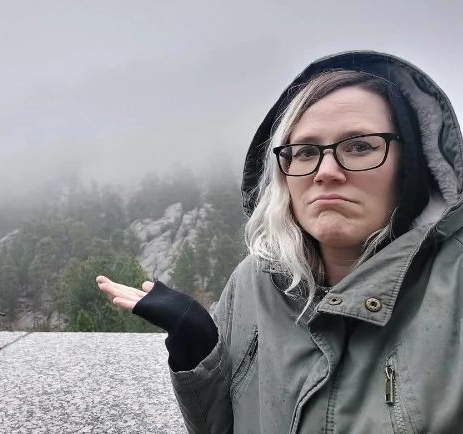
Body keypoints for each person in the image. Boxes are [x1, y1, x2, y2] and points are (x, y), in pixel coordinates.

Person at [97, 51, 463, 433]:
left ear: (411, 164)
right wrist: (199, 353)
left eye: (359, 146)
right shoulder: (253, 282)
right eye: (305, 152)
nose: (326, 171)